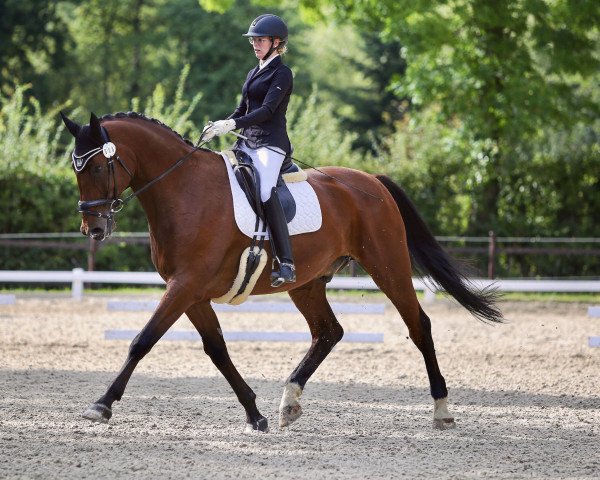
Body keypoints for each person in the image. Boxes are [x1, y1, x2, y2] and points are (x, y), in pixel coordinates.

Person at [203, 14, 296, 288]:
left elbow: (266, 111)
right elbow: (242, 110)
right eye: (253, 40)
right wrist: (221, 124)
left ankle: (286, 262)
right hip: (246, 141)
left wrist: (233, 123)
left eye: (260, 40)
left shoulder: (282, 73)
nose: (255, 44)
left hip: (271, 144)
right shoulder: (253, 71)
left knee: (266, 189)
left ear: (276, 43)